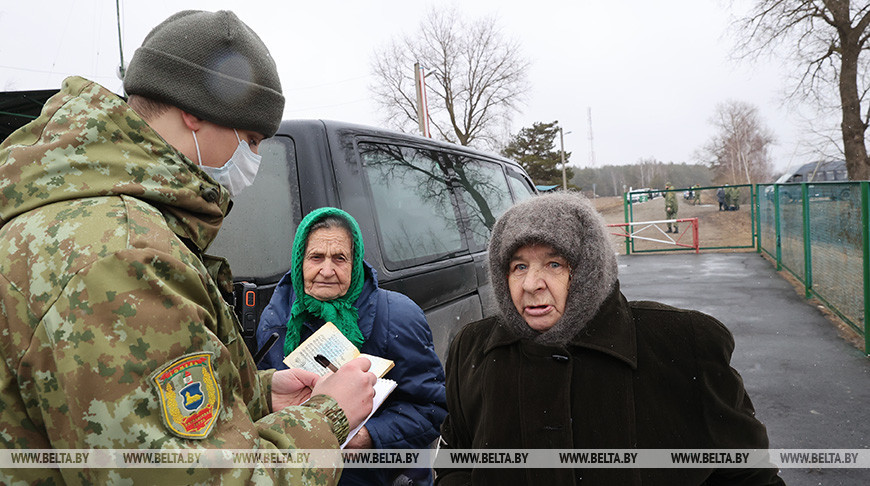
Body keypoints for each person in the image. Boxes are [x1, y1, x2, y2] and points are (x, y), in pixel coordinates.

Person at [0, 10, 376, 485]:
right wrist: (329, 416)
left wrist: (256, 393)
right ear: (194, 110)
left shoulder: (82, 213)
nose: (253, 160)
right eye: (251, 139)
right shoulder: (125, 256)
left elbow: (129, 406)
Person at [435, 192, 784, 486]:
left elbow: (748, 474)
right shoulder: (473, 350)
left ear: (588, 269)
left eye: (554, 264)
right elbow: (454, 465)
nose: (531, 284)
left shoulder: (683, 345)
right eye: (519, 266)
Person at [257, 207, 447, 486]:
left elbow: (432, 408)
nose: (326, 270)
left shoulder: (398, 316)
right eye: (316, 257)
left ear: (355, 262)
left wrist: (370, 436)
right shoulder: (278, 317)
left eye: (340, 258)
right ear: (299, 260)